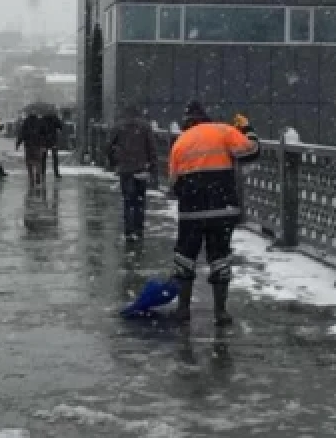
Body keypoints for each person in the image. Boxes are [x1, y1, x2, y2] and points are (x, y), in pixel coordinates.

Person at [168, 101, 260, 325]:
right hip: (222, 208)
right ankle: (221, 312)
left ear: (186, 122)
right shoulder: (224, 130)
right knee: (219, 257)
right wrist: (247, 129)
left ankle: (183, 309)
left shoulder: (180, 142)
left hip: (191, 212)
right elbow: (251, 152)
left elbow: (173, 185)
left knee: (185, 257)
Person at [107, 104, 158, 241]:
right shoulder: (145, 126)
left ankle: (129, 231)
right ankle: (139, 230)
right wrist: (152, 167)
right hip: (141, 168)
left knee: (128, 201)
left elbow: (109, 146)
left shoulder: (119, 126)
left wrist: (114, 163)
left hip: (125, 169)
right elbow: (152, 148)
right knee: (140, 201)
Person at [15, 111, 46, 186]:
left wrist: (18, 143)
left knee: (29, 162)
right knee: (38, 161)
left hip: (28, 146)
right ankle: (38, 175)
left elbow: (21, 134)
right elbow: (44, 134)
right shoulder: (39, 122)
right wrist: (44, 145)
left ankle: (31, 178)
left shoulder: (26, 123)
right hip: (37, 145)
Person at [39, 110, 64, 179]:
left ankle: (43, 172)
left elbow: (39, 131)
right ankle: (56, 173)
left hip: (44, 142)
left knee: (43, 157)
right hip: (53, 141)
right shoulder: (55, 119)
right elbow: (60, 127)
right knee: (55, 157)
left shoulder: (42, 119)